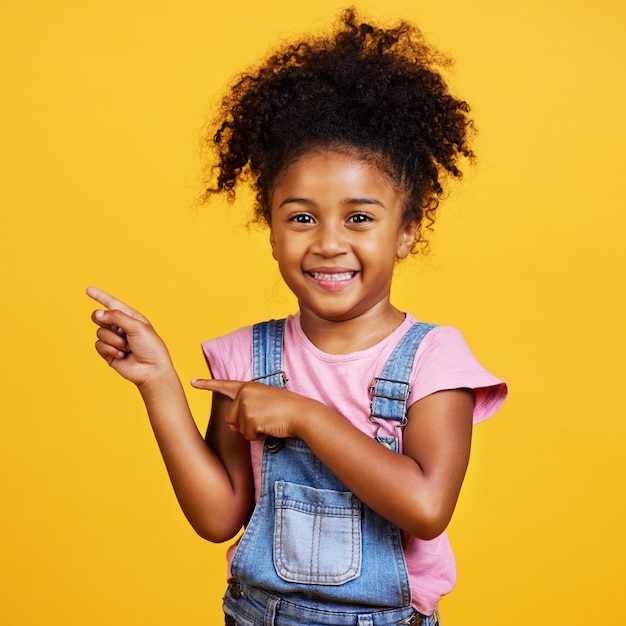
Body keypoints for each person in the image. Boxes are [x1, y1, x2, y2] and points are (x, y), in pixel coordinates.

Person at [87, 8, 507, 626]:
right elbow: (219, 518)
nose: (329, 243)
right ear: (272, 231)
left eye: (359, 218)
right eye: (302, 217)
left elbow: (425, 507)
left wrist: (306, 417)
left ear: (407, 231)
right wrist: (159, 383)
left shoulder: (433, 360)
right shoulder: (243, 360)